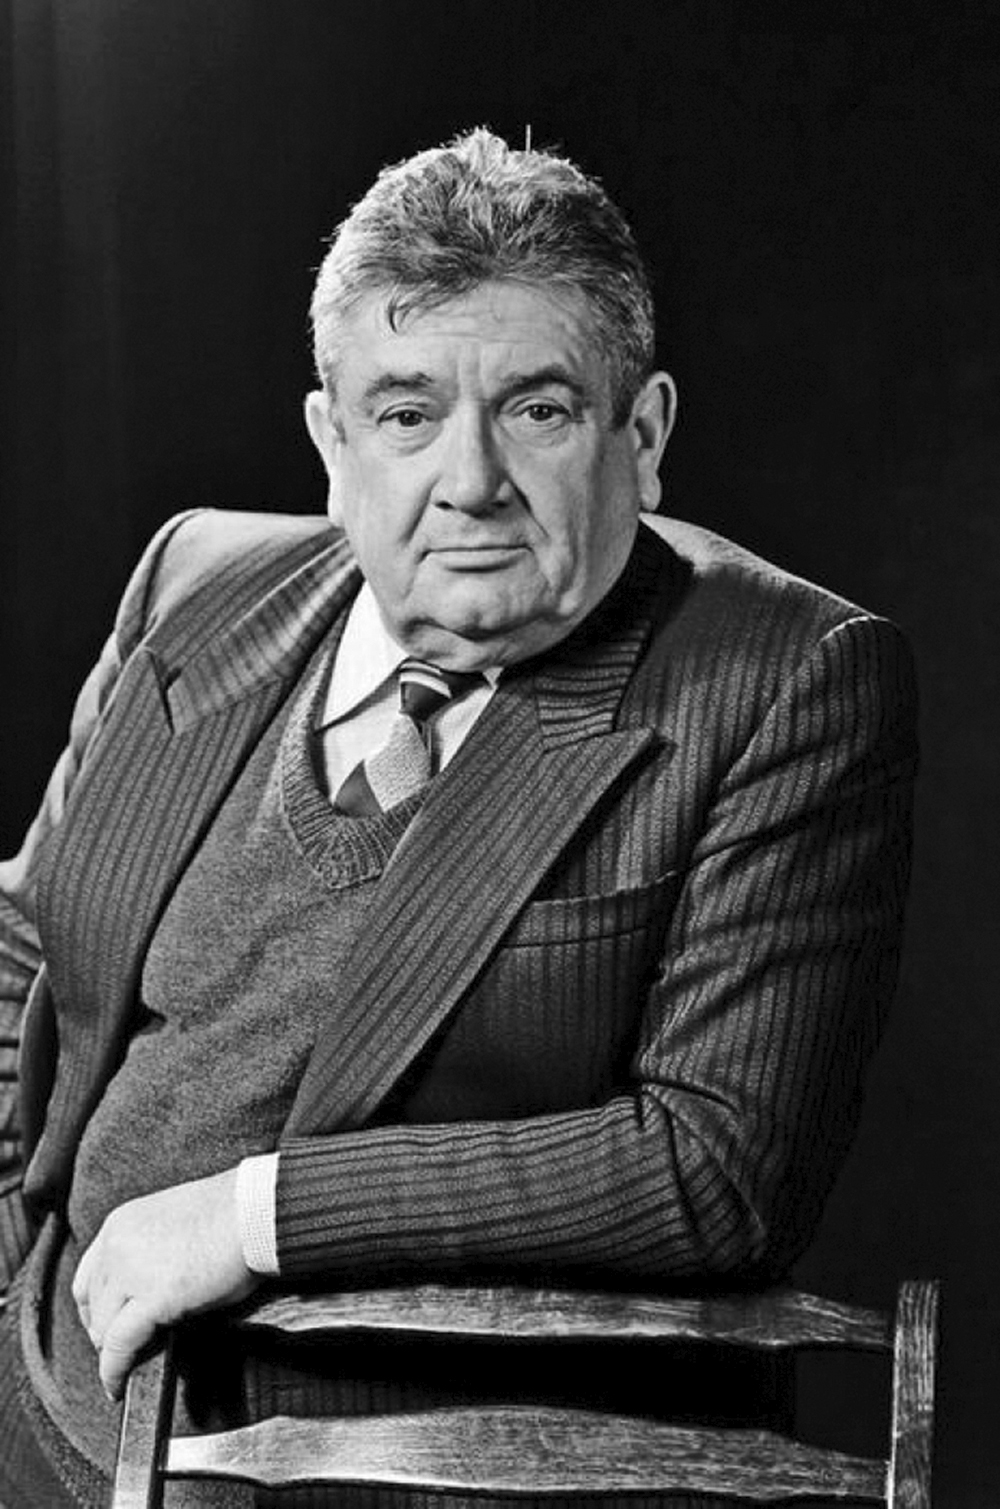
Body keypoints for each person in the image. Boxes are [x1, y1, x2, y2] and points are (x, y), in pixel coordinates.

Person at [0, 128, 917, 1506]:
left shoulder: (787, 682)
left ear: (643, 435)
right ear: (334, 442)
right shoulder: (196, 579)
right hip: (43, 1408)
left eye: (537, 410)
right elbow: (28, 934)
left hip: (399, 1473)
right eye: (407, 413)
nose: (472, 479)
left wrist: (250, 1219)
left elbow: (714, 1167)